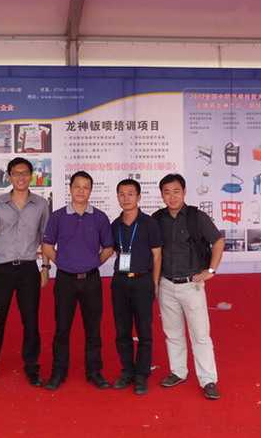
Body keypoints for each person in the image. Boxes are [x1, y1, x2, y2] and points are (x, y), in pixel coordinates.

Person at [0, 157, 51, 389]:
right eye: (16, 173)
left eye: (25, 173)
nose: (21, 177)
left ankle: (32, 367)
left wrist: (45, 267)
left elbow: (45, 238)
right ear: (9, 176)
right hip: (2, 269)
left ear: (31, 176)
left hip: (28, 269)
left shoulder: (41, 204)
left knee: (31, 321)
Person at [152, 173, 224, 400]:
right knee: (172, 332)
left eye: (176, 191)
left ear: (184, 192)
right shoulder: (157, 219)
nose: (172, 197)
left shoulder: (196, 217)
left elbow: (218, 241)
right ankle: (178, 371)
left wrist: (210, 271)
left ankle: (208, 379)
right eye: (167, 192)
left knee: (200, 334)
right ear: (161, 195)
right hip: (166, 284)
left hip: (192, 284)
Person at [42, 171, 114, 390]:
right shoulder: (58, 216)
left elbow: (108, 248)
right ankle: (58, 373)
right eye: (77, 186)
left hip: (91, 280)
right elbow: (47, 246)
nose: (81, 191)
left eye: (86, 187)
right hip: (65, 280)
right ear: (70, 188)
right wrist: (63, 262)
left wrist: (92, 263)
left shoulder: (99, 217)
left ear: (91, 190)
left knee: (93, 328)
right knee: (62, 328)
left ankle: (94, 372)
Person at [110, 179, 162, 395]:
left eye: (130, 194)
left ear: (139, 197)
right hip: (120, 281)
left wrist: (154, 283)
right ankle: (127, 371)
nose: (126, 198)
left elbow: (157, 255)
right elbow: (113, 250)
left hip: (143, 281)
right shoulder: (114, 225)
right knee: (122, 330)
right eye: (121, 194)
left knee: (143, 330)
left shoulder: (149, 223)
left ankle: (141, 374)